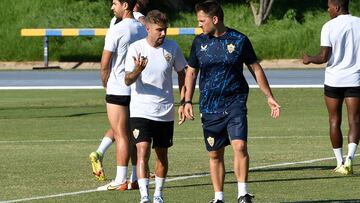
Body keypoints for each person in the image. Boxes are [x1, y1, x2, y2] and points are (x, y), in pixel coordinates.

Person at [181, 1, 281, 203]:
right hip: (209, 106)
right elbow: (191, 72)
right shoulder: (199, 42)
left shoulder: (239, 40)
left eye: (202, 21)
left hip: (235, 102)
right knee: (215, 154)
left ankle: (243, 193)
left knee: (240, 146)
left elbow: (256, 68)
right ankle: (218, 198)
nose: (200, 24)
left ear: (215, 19)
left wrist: (269, 97)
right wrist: (186, 100)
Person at [124, 10, 186, 203]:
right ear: (148, 28)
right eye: (159, 30)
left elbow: (183, 73)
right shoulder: (135, 48)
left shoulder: (173, 48)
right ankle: (144, 196)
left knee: (161, 154)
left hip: (165, 111)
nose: (163, 34)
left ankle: (158, 194)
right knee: (142, 150)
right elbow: (127, 80)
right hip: (141, 110)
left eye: (165, 30)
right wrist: (138, 70)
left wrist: (185, 100)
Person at [89, 0, 149, 188]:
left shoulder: (117, 28)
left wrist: (105, 84)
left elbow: (105, 62)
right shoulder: (142, 27)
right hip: (137, 89)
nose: (112, 7)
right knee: (133, 135)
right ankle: (134, 178)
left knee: (121, 134)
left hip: (119, 88)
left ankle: (120, 179)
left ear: (125, 5)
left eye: (115, 3)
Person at [303, 0, 360, 175]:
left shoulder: (329, 26)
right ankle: (350, 159)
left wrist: (309, 59)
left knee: (334, 120)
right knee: (355, 121)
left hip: (334, 81)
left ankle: (339, 162)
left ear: (336, 7)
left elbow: (323, 56)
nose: (328, 10)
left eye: (329, 7)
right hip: (355, 79)